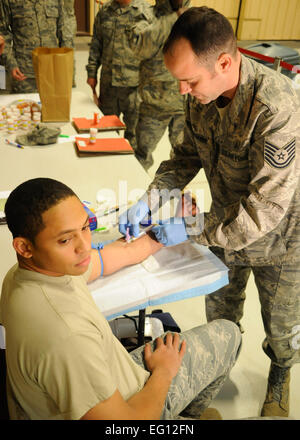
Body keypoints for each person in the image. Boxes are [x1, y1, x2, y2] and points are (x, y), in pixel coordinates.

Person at [119, 7, 300, 418]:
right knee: (220, 311)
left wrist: (192, 230)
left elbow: (266, 209)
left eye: (190, 80)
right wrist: (152, 197)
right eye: (178, 80)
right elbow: (184, 156)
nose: (182, 90)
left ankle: (280, 376)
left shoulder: (276, 107)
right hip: (223, 228)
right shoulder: (202, 98)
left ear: (224, 62)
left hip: (282, 240)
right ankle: (219, 365)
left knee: (283, 324)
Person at [0, 177, 242, 420]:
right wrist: (164, 372)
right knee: (230, 334)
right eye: (65, 239)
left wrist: (160, 233)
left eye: (85, 228)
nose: (84, 247)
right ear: (24, 247)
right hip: (135, 409)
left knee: (225, 334)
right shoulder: (67, 338)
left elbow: (109, 259)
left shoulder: (31, 273)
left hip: (111, 390)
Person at [126, 0, 189, 172]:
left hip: (185, 104)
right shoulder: (146, 14)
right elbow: (140, 46)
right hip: (154, 104)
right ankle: (136, 193)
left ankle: (178, 195)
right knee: (142, 156)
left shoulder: (192, 16)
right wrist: (173, 18)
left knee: (184, 158)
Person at [86, 0, 153, 150]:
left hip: (136, 88)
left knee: (135, 137)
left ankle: (134, 172)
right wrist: (92, 73)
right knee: (107, 133)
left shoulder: (147, 13)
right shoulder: (104, 12)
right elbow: (96, 44)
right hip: (109, 87)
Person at [0, 0, 74, 93]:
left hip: (53, 69)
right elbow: (2, 33)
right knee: (25, 105)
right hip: (23, 73)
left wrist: (67, 66)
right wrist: (11, 63)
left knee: (53, 105)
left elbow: (65, 33)